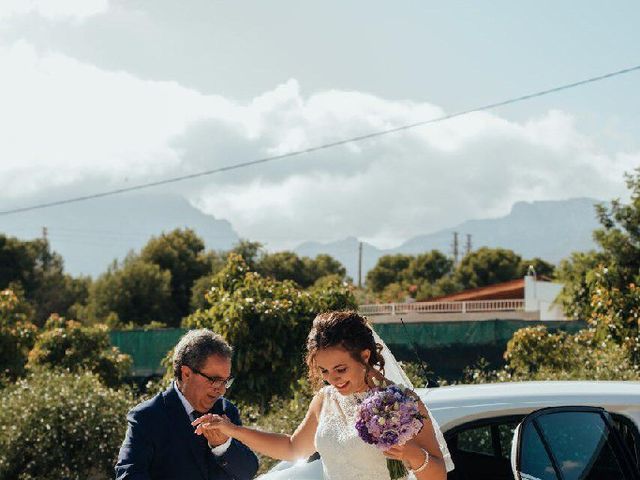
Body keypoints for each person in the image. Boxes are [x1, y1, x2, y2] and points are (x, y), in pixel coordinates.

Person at [193, 311, 454, 480]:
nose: (333, 379)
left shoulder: (402, 402)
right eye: (325, 371)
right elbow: (292, 447)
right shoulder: (325, 400)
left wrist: (411, 453)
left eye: (340, 369)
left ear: (365, 356)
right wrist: (232, 430)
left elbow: (438, 474)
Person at [115, 329, 259, 480]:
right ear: (186, 374)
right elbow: (128, 476)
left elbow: (248, 471)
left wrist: (223, 446)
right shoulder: (147, 417)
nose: (221, 390)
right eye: (214, 380)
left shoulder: (227, 411)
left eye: (225, 381)